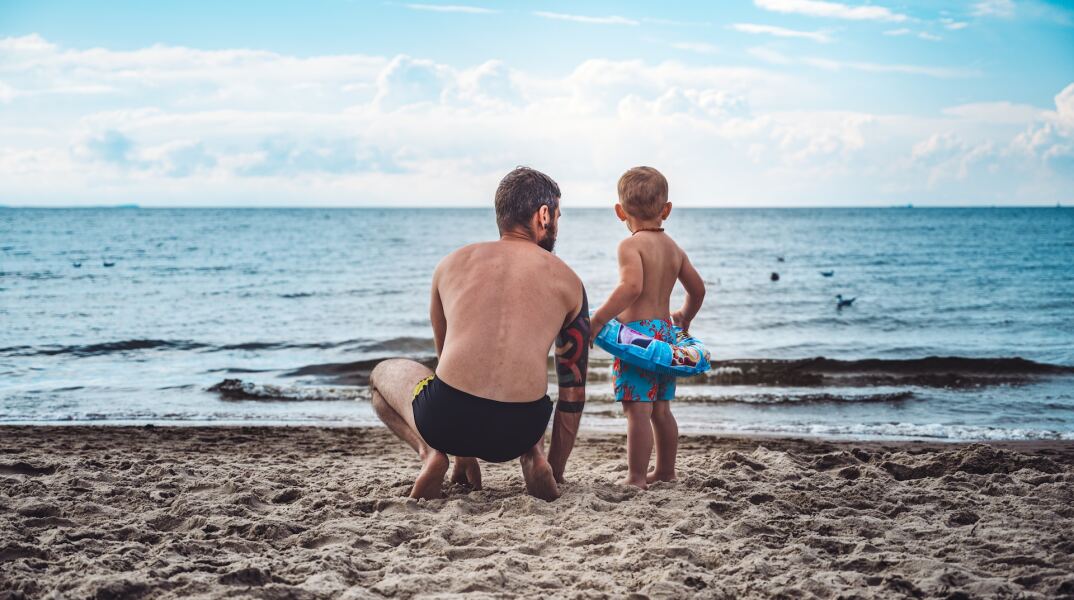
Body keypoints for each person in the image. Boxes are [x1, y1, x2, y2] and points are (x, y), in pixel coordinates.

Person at [369, 167, 589, 501]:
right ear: (543, 216)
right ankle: (535, 458)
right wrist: (556, 471)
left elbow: (447, 361)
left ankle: (432, 454)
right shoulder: (570, 281)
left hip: (448, 420)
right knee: (531, 382)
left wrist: (462, 452)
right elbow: (573, 392)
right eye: (558, 216)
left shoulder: (451, 264)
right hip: (520, 430)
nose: (557, 225)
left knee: (380, 376)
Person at [590, 166, 706, 489]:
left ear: (620, 212)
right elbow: (698, 290)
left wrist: (598, 320)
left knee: (637, 410)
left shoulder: (630, 246)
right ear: (666, 210)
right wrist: (683, 316)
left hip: (637, 340)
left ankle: (637, 477)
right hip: (666, 339)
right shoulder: (674, 250)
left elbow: (631, 287)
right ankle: (666, 470)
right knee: (661, 409)